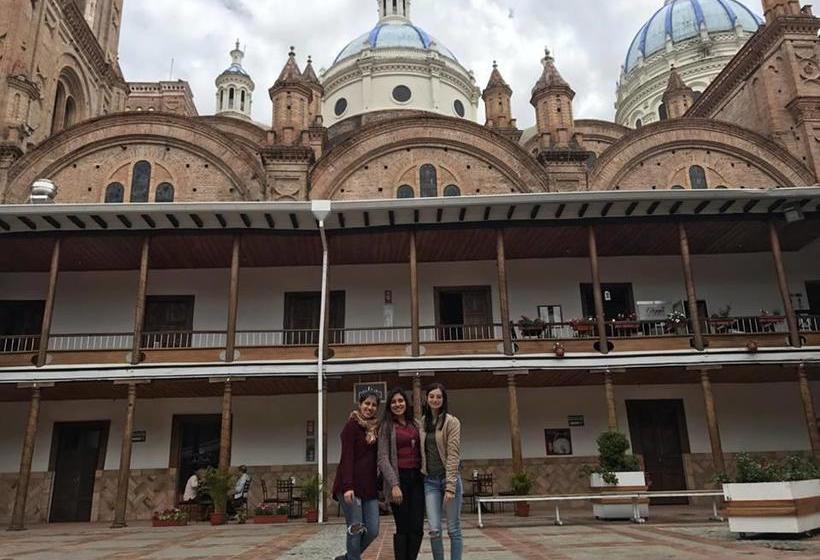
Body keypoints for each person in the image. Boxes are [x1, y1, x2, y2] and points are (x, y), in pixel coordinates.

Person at [332, 390, 381, 560]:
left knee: (373, 530)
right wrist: (348, 487)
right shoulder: (351, 426)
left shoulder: (376, 429)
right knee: (356, 528)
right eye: (367, 403)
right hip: (350, 486)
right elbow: (347, 457)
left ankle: (348, 558)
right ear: (360, 405)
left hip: (369, 488)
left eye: (374, 405)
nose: (370, 407)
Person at [378, 387, 424, 560]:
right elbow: (382, 458)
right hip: (399, 480)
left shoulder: (416, 424)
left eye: (401, 401)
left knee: (417, 526)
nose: (398, 404)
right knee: (403, 526)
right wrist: (394, 485)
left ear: (406, 402)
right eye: (394, 402)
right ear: (389, 406)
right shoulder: (386, 427)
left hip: (417, 480)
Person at [421, 383, 463, 560]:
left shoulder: (452, 422)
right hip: (430, 481)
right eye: (432, 396)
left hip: (448, 480)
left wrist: (451, 486)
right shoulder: (422, 422)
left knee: (453, 528)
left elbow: (453, 454)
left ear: (443, 399)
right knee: (434, 530)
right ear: (426, 398)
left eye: (438, 397)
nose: (435, 399)